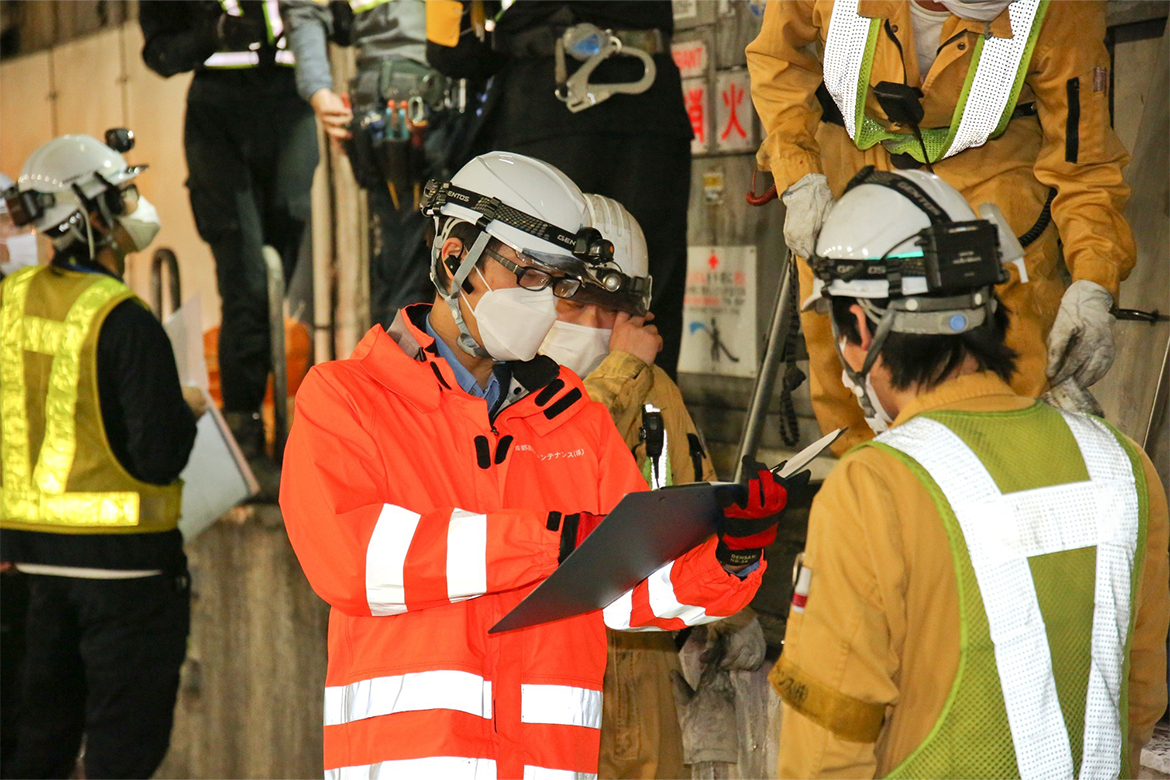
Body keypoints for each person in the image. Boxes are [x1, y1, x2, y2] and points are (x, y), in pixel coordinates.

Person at [280, 151, 792, 778]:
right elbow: (352, 560)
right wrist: (555, 542)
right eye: (528, 277)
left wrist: (729, 555)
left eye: (557, 284)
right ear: (453, 257)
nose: (546, 302)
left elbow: (630, 594)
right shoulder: (346, 399)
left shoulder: (575, 420)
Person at [767, 168, 1168, 778]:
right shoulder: (1121, 464)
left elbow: (826, 742)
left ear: (863, 327)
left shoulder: (874, 486)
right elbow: (1138, 696)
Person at [746, 0, 1136, 454]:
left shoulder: (1061, 7)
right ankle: (874, 490)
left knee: (1010, 344)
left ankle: (1009, 484)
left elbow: (1083, 160)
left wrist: (1094, 281)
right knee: (846, 348)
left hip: (992, 160)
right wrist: (798, 174)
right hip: (849, 153)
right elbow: (778, 58)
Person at [0, 132, 201, 779]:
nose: (133, 208)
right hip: (126, 583)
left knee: (34, 751)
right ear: (88, 216)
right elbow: (158, 455)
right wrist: (186, 407)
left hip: (25, 579)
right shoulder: (123, 317)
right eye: (122, 195)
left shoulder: (8, 303)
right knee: (121, 754)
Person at [427, 0, 692, 378]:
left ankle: (531, 429)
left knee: (536, 285)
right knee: (642, 298)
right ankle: (646, 428)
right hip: (648, 102)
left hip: (545, 104)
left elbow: (453, 51)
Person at [141, 0, 319, 492]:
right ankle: (244, 434)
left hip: (289, 105)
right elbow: (158, 53)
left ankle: (271, 430)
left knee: (276, 279)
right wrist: (213, 32)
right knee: (247, 281)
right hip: (218, 114)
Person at [283, 0, 454, 326]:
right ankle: (395, 372)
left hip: (420, 91)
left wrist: (318, 90)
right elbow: (305, 8)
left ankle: (393, 367)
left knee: (408, 259)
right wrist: (318, 90)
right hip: (409, 95)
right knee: (413, 264)